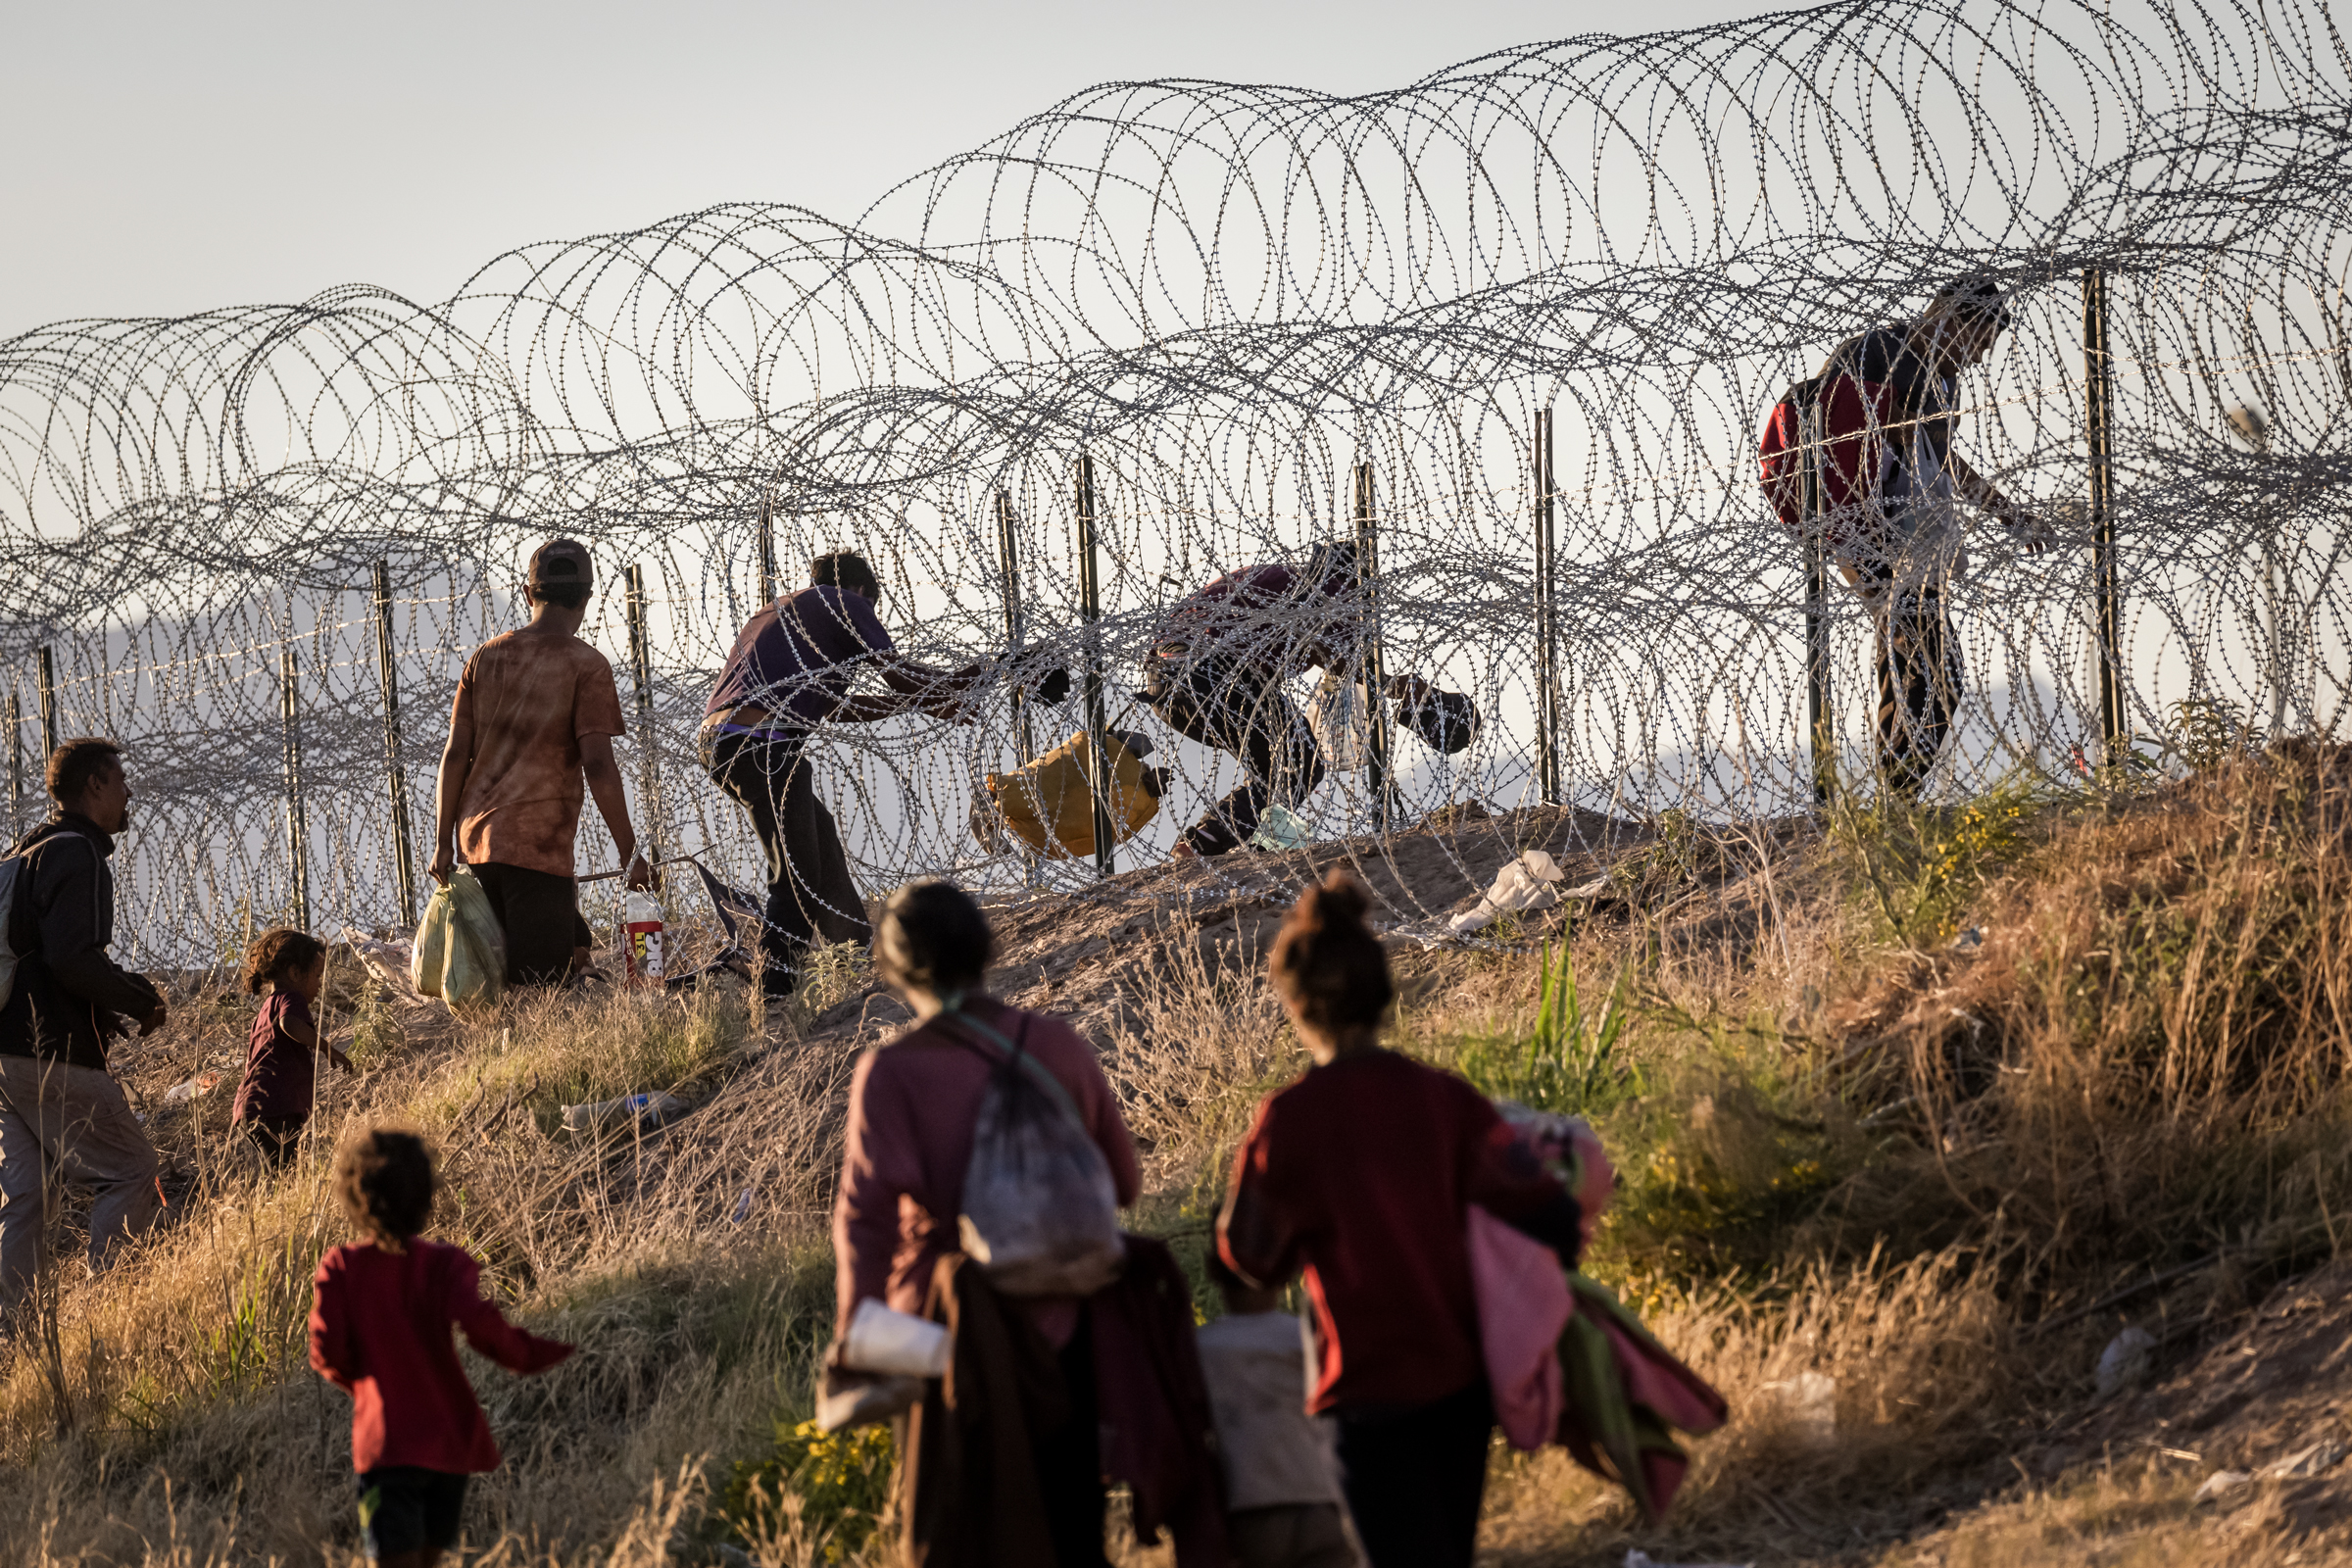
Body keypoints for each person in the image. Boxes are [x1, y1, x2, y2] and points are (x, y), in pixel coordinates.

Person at [1217, 870, 1582, 1568]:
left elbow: (1249, 1258)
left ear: (1294, 1006)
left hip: (1363, 1389)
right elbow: (1550, 1216)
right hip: (1458, 1385)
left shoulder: (1288, 1121)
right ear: (1384, 995)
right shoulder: (1443, 1100)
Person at [831, 879, 1142, 1565]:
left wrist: (857, 1338)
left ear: (893, 968)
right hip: (1071, 1332)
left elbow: (867, 1222)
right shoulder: (1056, 1045)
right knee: (1072, 1537)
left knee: (964, 1535)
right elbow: (1124, 1182)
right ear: (984, 948)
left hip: (951, 1343)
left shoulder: (891, 1073)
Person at [702, 553, 981, 995]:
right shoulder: (843, 603)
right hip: (762, 745)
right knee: (798, 876)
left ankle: (852, 955)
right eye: (873, 607)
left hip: (729, 740)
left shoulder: (784, 613)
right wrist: (968, 681)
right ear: (862, 592)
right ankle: (773, 990)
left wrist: (930, 699)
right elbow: (898, 676)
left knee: (819, 837)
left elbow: (840, 709)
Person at [1814, 278, 2050, 796]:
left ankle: (1897, 792)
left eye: (1985, 348)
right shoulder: (1877, 353)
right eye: (1975, 340)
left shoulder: (1941, 382)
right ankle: (1898, 794)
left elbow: (1939, 459)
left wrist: (2007, 514)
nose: (1975, 358)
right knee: (1924, 660)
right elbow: (1829, 434)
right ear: (1944, 315)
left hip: (1915, 538)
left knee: (1922, 662)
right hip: (1869, 528)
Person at [309, 1128, 573, 1568]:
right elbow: (488, 1332)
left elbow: (327, 1354)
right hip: (450, 1445)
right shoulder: (445, 1264)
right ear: (426, 1195)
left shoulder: (341, 1268)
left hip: (385, 1449)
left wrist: (369, 1385)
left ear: (356, 1198)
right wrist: (552, 1352)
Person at [429, 539, 656, 987]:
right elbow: (598, 764)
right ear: (588, 599)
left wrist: (441, 842)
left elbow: (455, 753)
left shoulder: (485, 658)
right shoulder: (586, 665)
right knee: (539, 995)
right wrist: (630, 853)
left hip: (476, 848)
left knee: (492, 990)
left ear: (529, 593)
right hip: (538, 853)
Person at [0, 738, 169, 1324]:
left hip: (4, 1055)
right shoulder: (78, 855)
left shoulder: (25, 850)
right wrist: (140, 999)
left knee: (28, 1197)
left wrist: (107, 1008)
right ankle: (110, 1316)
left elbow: (36, 956)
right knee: (130, 1170)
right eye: (121, 781)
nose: (129, 795)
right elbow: (72, 959)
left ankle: (15, 1333)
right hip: (51, 1051)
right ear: (94, 786)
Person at [1142, 542, 1430, 858]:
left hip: (1165, 684)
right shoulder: (1325, 592)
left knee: (1281, 763)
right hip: (1212, 674)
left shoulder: (1274, 579)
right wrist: (1397, 688)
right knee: (1301, 763)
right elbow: (1341, 660)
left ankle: (1211, 842)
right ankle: (1211, 838)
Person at [1197, 1250, 1358, 1568]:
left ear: (1213, 1271)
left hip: (1250, 1508)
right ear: (1287, 1273)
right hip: (1320, 1500)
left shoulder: (1201, 1348)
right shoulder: (1308, 1339)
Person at [231, 929, 351, 1168]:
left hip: (251, 1106)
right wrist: (327, 1048)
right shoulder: (291, 999)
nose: (319, 984)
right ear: (295, 973)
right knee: (284, 1172)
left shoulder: (266, 1009)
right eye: (316, 976)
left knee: (280, 1171)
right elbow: (290, 1023)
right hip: (275, 1107)